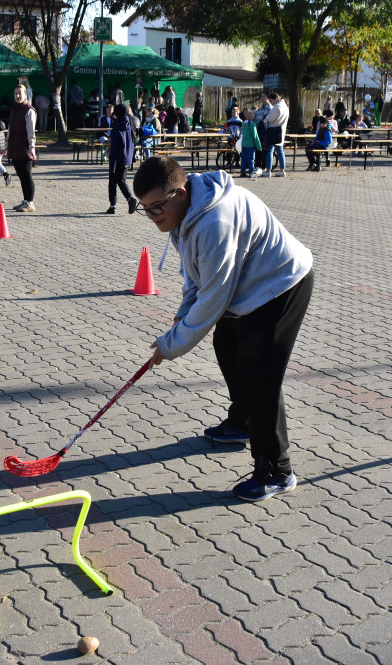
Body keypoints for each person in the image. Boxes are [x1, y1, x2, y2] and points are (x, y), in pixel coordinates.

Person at [133, 156, 315, 502]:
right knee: (227, 347)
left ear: (181, 193)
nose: (153, 217)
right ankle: (243, 422)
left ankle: (277, 471)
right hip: (248, 287)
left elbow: (214, 297)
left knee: (259, 374)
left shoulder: (215, 220)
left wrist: (171, 344)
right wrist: (180, 316)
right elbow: (196, 277)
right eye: (145, 210)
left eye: (156, 208)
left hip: (282, 285)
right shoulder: (183, 215)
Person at [8, 84, 37, 212]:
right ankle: (25, 201)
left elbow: (31, 131)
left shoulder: (29, 110)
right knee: (21, 176)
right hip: (15, 147)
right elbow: (10, 129)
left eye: (20, 93)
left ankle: (30, 203)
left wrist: (32, 146)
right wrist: (6, 147)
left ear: (26, 95)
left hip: (25, 148)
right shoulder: (15, 109)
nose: (18, 96)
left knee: (27, 175)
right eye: (16, 94)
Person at [106, 104, 138, 215]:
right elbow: (133, 142)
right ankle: (129, 199)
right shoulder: (129, 125)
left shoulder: (116, 128)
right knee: (121, 180)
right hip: (126, 158)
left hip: (117, 159)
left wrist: (112, 165)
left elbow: (114, 149)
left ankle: (113, 205)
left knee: (113, 183)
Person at [262, 92, 289, 178]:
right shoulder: (285, 106)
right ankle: (282, 170)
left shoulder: (277, 107)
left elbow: (269, 118)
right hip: (281, 130)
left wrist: (265, 118)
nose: (271, 103)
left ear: (276, 99)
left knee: (270, 150)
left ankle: (268, 170)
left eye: (271, 101)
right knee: (280, 151)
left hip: (274, 130)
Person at [252, 93, 272, 174]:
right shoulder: (260, 109)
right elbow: (255, 117)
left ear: (268, 98)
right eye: (261, 96)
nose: (262, 98)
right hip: (258, 132)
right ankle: (257, 166)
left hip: (265, 132)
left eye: (264, 97)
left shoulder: (270, 108)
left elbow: (266, 120)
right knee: (258, 149)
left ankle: (263, 167)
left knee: (264, 150)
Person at [239, 108, 261, 178]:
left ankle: (243, 172)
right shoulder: (252, 124)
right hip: (250, 144)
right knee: (251, 159)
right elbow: (255, 136)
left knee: (244, 159)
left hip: (244, 143)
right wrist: (259, 146)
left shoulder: (244, 124)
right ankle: (251, 172)